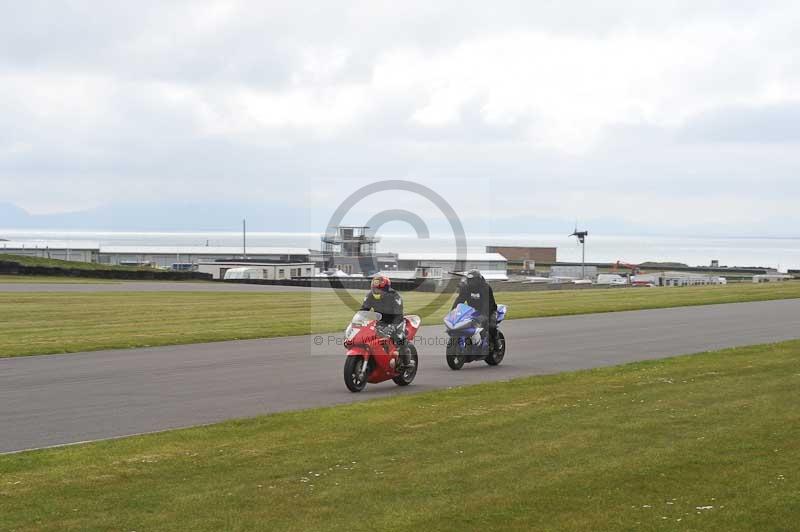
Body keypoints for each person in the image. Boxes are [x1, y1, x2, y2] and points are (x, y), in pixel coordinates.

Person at [360, 275, 414, 368]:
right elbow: (363, 310)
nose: (376, 291)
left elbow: (398, 314)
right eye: (374, 289)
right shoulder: (370, 296)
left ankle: (407, 362)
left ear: (386, 289)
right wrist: (359, 321)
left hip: (396, 321)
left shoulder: (395, 296)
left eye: (379, 289)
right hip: (379, 321)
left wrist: (392, 327)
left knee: (399, 337)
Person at [451, 269, 500, 350]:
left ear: (477, 280)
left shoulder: (485, 288)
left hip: (489, 310)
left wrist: (483, 316)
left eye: (472, 280)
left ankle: (497, 342)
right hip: (473, 311)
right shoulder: (466, 288)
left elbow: (486, 303)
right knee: (464, 324)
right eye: (469, 280)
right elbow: (460, 300)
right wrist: (453, 312)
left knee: (491, 326)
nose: (470, 282)